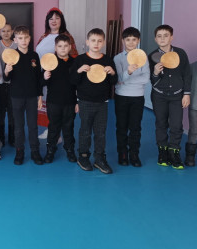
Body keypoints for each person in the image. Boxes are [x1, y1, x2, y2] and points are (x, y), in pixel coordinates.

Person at [70, 28, 117, 174]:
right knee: (85, 130)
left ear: (104, 42)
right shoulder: (80, 60)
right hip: (85, 101)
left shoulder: (107, 60)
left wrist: (112, 72)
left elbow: (114, 82)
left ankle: (99, 158)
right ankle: (83, 156)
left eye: (99, 41)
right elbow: (73, 81)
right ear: (87, 42)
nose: (96, 43)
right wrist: (79, 71)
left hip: (102, 102)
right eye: (93, 40)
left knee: (100, 132)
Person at [148, 24, 191, 169]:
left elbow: (187, 74)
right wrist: (155, 73)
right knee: (161, 124)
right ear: (155, 39)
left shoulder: (181, 53)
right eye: (159, 36)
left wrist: (186, 94)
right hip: (159, 96)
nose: (162, 39)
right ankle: (163, 152)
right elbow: (151, 80)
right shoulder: (152, 56)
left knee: (176, 125)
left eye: (166, 35)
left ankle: (174, 152)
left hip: (177, 96)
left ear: (171, 37)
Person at [36, 7, 78, 140]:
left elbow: (73, 59)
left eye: (57, 18)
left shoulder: (67, 37)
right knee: (48, 105)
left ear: (62, 20)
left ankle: (58, 134)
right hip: (45, 75)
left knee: (58, 106)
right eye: (51, 18)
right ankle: (51, 129)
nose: (54, 21)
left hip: (59, 79)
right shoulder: (44, 36)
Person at [4, 26, 43, 165]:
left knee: (33, 126)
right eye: (20, 38)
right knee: (18, 126)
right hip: (16, 97)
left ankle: (35, 151)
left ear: (30, 38)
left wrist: (40, 96)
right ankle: (19, 151)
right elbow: (7, 78)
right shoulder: (11, 55)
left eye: (26, 37)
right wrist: (7, 70)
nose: (24, 40)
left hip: (32, 97)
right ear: (15, 40)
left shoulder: (34, 56)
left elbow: (39, 78)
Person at [114, 27, 150, 167]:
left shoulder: (143, 57)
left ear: (138, 41)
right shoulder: (118, 58)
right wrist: (128, 72)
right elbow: (117, 79)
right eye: (127, 39)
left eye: (134, 39)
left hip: (137, 97)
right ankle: (122, 153)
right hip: (121, 96)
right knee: (121, 126)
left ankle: (134, 154)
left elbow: (146, 78)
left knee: (135, 127)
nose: (130, 42)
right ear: (123, 40)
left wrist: (126, 79)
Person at [43, 34, 78, 164]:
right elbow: (41, 82)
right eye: (60, 46)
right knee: (53, 127)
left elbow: (78, 84)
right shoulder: (49, 62)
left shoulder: (75, 63)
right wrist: (44, 77)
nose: (63, 48)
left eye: (65, 46)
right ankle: (50, 150)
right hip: (53, 102)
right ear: (55, 47)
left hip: (70, 102)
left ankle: (70, 149)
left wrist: (77, 101)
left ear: (70, 47)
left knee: (68, 127)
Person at [0, 23, 17, 146]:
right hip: (0, 83)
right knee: (0, 112)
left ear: (12, 32)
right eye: (3, 31)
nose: (6, 33)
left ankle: (13, 138)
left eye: (8, 31)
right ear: (0, 32)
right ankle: (1, 137)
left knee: (13, 112)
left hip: (13, 83)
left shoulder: (16, 45)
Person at [185, 60, 197, 166]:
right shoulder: (192, 67)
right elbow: (187, 85)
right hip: (195, 105)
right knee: (194, 131)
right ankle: (190, 156)